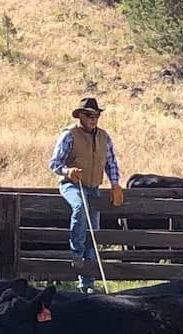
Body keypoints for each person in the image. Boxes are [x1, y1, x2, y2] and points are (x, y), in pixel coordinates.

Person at [49, 97, 124, 293]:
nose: (94, 118)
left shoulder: (104, 137)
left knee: (93, 231)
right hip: (72, 185)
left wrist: (115, 184)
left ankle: (87, 284)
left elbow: (111, 162)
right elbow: (55, 163)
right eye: (90, 115)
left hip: (94, 187)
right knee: (79, 207)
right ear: (80, 116)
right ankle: (76, 253)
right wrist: (68, 172)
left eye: (96, 115)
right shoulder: (69, 135)